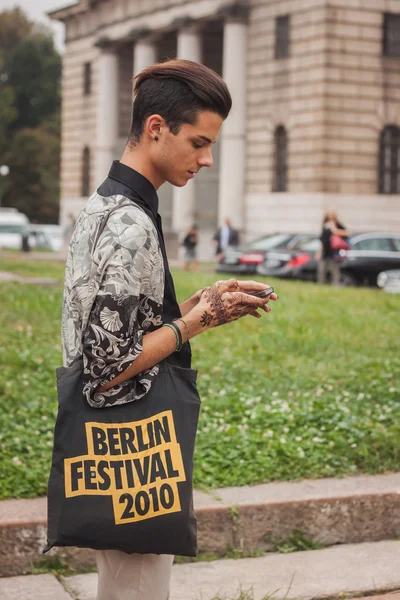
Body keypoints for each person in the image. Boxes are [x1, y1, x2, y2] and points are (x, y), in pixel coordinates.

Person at [61, 59, 277, 600]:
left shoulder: (106, 202)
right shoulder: (131, 222)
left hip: (107, 442)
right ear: (156, 128)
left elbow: (113, 321)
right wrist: (199, 321)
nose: (206, 159)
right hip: (131, 450)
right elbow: (106, 366)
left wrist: (196, 302)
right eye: (199, 143)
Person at [316, 210, 350, 286]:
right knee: (321, 269)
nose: (330, 216)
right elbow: (323, 241)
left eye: (332, 214)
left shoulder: (337, 224)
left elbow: (347, 233)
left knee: (334, 270)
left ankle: (335, 285)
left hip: (334, 252)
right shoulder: (325, 225)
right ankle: (320, 284)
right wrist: (319, 252)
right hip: (325, 252)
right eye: (329, 214)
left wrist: (335, 229)